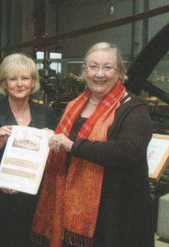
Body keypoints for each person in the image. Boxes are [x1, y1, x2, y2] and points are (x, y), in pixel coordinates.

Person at [33, 42, 154, 247]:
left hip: (115, 214)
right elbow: (65, 144)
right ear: (85, 70)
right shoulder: (74, 105)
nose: (100, 74)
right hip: (73, 210)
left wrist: (74, 146)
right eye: (93, 66)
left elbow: (129, 150)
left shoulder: (133, 108)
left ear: (119, 72)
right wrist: (50, 139)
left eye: (107, 67)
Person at [0, 53, 57, 247]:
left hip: (38, 202)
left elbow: (55, 160)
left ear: (33, 82)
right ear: (4, 82)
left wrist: (54, 142)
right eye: (13, 78)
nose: (20, 84)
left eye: (25, 78)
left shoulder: (46, 114)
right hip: (3, 203)